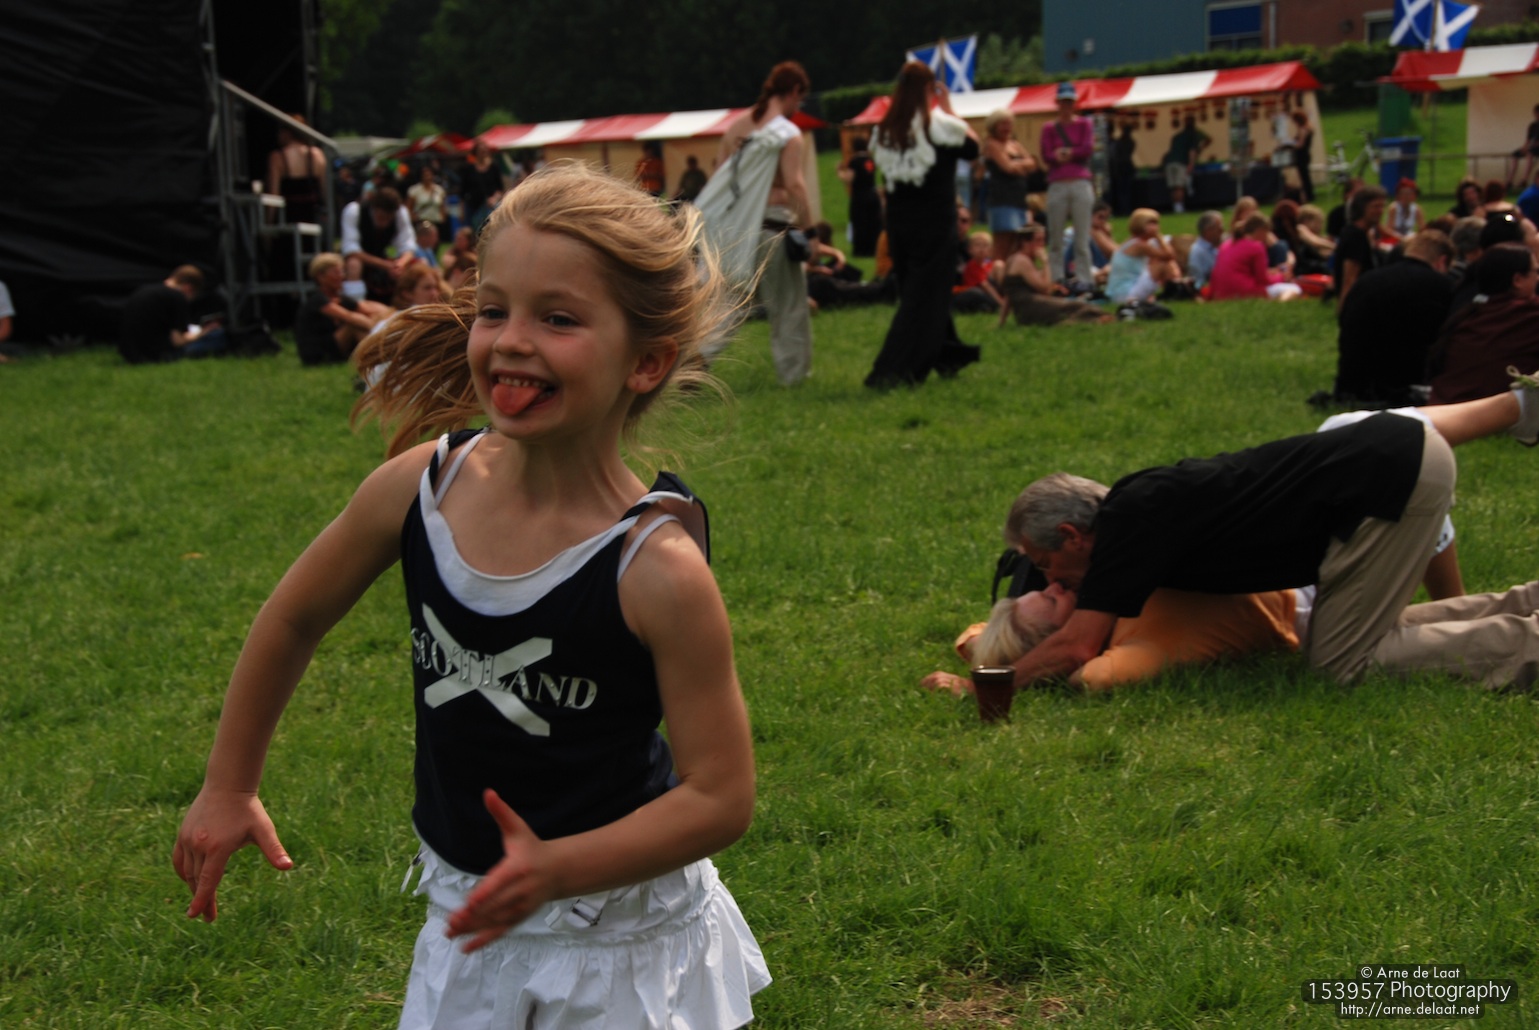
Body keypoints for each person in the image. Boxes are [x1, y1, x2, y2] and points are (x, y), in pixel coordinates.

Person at [172, 164, 770, 1028]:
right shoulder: (418, 489)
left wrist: (559, 868)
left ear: (646, 362)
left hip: (618, 944)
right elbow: (293, 617)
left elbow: (720, 795)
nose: (512, 340)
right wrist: (229, 785)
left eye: (557, 319)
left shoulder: (657, 569)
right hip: (469, 919)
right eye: (494, 310)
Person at [999, 374, 1539, 692]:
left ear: (1072, 535)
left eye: (1044, 565)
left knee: (1341, 664)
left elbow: (1078, 646)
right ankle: (1528, 603)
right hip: (1393, 459)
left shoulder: (1127, 526)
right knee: (1351, 635)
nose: (1050, 580)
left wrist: (987, 684)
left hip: (1387, 476)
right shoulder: (1134, 514)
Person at [864, 61, 982, 388]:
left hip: (899, 228)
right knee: (923, 300)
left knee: (921, 293)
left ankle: (949, 356)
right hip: (934, 225)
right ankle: (891, 371)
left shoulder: (886, 131)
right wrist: (950, 109)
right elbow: (973, 147)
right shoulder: (940, 126)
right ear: (931, 89)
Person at [697, 60, 814, 387]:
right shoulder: (787, 134)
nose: (798, 107)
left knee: (730, 302)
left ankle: (698, 357)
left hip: (735, 231)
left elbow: (721, 178)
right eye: (800, 100)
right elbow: (794, 185)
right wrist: (810, 230)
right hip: (772, 227)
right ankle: (794, 377)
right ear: (794, 91)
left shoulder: (736, 128)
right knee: (788, 306)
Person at [1333, 229, 1456, 406]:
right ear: (1442, 261)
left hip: (1353, 383)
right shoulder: (1442, 287)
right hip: (1403, 386)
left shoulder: (1367, 280)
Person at [1429, 243, 1539, 404]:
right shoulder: (1529, 316)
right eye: (1536, 272)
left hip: (1441, 406)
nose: (1537, 278)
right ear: (1517, 280)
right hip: (1488, 414)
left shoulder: (1468, 315)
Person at [994, 224, 1112, 327]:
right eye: (1038, 240)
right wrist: (1046, 262)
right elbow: (1046, 289)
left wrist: (1001, 321)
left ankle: (1100, 318)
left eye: (1043, 240)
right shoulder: (1022, 261)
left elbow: (1009, 293)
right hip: (1031, 308)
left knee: (1074, 305)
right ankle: (1096, 319)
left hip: (1026, 311)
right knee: (1076, 306)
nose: (1042, 244)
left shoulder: (1013, 258)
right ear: (1025, 242)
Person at [1041, 82, 1096, 292]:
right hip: (1058, 183)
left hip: (1080, 181)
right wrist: (1059, 155)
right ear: (1058, 103)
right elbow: (1046, 154)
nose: (1066, 106)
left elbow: (1087, 148)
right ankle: (1057, 278)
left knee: (1082, 236)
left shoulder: (1084, 124)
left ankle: (1085, 278)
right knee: (1055, 236)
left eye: (1069, 102)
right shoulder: (1049, 128)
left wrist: (1068, 153)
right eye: (1063, 102)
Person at [293, 252, 392, 365]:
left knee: (366, 318)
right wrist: (378, 326)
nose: (341, 276)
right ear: (321, 277)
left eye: (342, 271)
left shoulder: (341, 298)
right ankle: (376, 357)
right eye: (336, 272)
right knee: (354, 325)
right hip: (317, 352)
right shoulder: (318, 300)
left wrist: (385, 316)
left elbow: (368, 308)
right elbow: (349, 317)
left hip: (334, 345)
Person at [118, 265, 225, 364]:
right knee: (217, 335)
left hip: (129, 354)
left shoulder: (144, 290)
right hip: (156, 355)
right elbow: (178, 341)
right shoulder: (176, 297)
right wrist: (204, 332)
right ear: (188, 288)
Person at [341, 187, 416, 303]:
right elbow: (351, 250)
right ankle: (355, 304)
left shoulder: (401, 213)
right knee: (354, 264)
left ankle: (407, 306)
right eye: (381, 217)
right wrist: (386, 265)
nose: (384, 223)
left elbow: (408, 246)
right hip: (363, 260)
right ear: (374, 208)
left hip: (386, 260)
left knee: (418, 266)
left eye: (388, 219)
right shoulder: (354, 211)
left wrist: (400, 264)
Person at [982, 109, 1036, 260]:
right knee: (1002, 244)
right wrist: (1022, 166)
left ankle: (1011, 273)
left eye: (1009, 124)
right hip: (1001, 200)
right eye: (1003, 124)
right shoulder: (991, 145)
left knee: (1016, 243)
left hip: (1018, 200)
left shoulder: (1015, 144)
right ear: (994, 125)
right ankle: (997, 272)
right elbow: (1007, 168)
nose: (1007, 128)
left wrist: (1017, 165)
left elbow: (1033, 163)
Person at [1209, 213, 1301, 301]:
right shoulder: (1256, 246)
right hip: (1242, 291)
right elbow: (1263, 280)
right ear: (1260, 231)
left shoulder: (1226, 244)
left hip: (1220, 292)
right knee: (1294, 288)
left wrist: (1273, 272)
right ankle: (1281, 304)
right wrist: (1282, 277)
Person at [1104, 208, 1177, 305]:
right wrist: (1159, 236)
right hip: (1126, 294)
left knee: (1161, 263)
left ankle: (1173, 290)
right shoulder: (1139, 245)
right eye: (1151, 223)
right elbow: (1169, 255)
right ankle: (1175, 292)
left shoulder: (1132, 242)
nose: (1155, 227)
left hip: (1118, 293)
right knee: (1164, 264)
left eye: (1156, 223)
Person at [1334, 184, 1387, 312]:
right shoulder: (1355, 236)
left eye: (1382, 206)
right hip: (1362, 302)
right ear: (1362, 208)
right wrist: (1344, 310)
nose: (1380, 211)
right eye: (1375, 207)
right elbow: (1350, 277)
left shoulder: (1364, 233)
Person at [266, 118, 326, 225]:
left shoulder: (277, 158)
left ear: (287, 132)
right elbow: (324, 191)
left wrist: (269, 223)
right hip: (312, 218)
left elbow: (273, 197)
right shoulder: (317, 155)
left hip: (288, 219)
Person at [837, 136, 882, 257]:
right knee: (873, 223)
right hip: (873, 195)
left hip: (860, 197)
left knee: (860, 222)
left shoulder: (855, 161)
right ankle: (874, 248)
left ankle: (862, 250)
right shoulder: (870, 160)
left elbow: (849, 179)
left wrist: (839, 172)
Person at [1161, 115, 1210, 214]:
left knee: (1173, 187)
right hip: (1181, 163)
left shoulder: (1177, 136)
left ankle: (1176, 207)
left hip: (1169, 163)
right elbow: (1192, 151)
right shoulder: (1193, 135)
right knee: (1179, 186)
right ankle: (1179, 208)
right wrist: (1191, 164)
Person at [460, 140, 507, 232]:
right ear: (475, 153)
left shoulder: (494, 167)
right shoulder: (468, 169)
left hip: (490, 207)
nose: (483, 153)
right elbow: (462, 192)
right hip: (473, 207)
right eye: (480, 151)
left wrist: (494, 198)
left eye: (484, 151)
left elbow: (500, 188)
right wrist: (461, 211)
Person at [952, 231, 1003, 314]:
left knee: (999, 264)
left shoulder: (989, 264)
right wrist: (1001, 302)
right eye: (978, 245)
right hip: (978, 293)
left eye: (985, 246)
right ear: (970, 250)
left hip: (989, 292)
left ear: (990, 250)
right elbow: (986, 286)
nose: (981, 249)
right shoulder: (972, 265)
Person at [406, 164, 448, 243]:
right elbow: (408, 207)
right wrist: (412, 217)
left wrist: (443, 218)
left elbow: (442, 206)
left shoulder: (439, 190)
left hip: (436, 221)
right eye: (425, 175)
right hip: (421, 221)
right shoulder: (414, 190)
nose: (427, 177)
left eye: (429, 175)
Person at [1186, 210, 1224, 290]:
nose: (1222, 231)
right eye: (1219, 229)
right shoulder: (1197, 252)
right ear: (1208, 231)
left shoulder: (1216, 247)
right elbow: (1198, 282)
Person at [1108, 119, 1137, 216]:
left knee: (1121, 191)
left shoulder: (1120, 142)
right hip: (1125, 168)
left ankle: (1122, 209)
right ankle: (1125, 209)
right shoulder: (1130, 142)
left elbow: (1115, 156)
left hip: (1120, 169)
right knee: (1125, 191)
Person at [1510, 104, 1539, 193]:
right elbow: (1528, 140)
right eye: (1535, 113)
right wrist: (1524, 148)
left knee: (1530, 154)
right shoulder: (1533, 125)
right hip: (1532, 147)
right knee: (1514, 154)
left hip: (1536, 148)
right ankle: (1509, 180)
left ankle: (1524, 179)